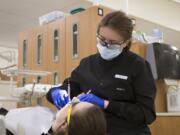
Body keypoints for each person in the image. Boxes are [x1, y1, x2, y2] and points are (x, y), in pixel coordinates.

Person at [46, 10, 156, 135]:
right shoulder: (87, 64)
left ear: (125, 43)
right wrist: (56, 92)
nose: (106, 45)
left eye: (113, 43)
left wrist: (106, 104)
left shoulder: (138, 66)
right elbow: (70, 87)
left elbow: (146, 114)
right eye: (102, 39)